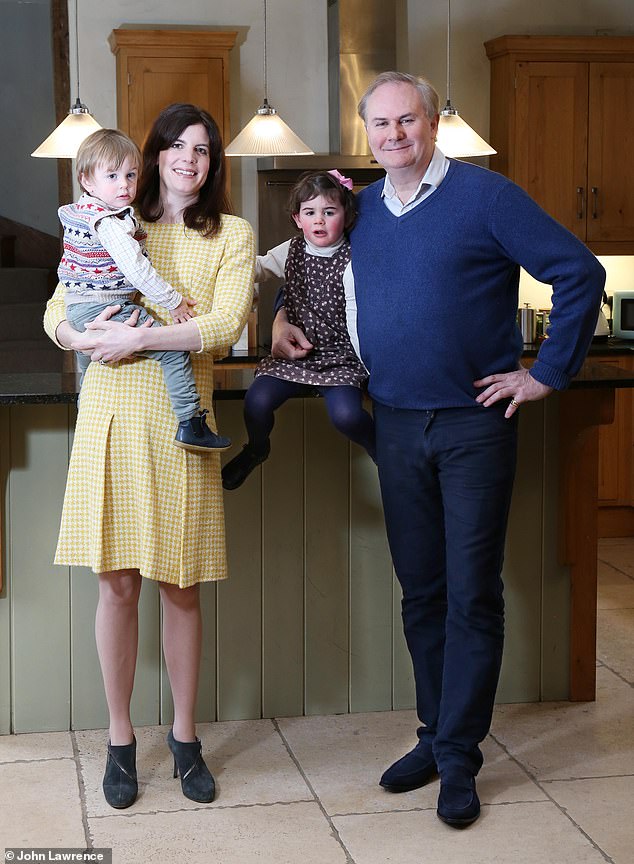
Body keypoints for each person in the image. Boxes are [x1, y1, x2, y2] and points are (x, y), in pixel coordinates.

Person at [272, 71, 605, 828]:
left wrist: (546, 374)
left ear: (433, 125)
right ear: (368, 135)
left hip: (472, 426)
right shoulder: (367, 215)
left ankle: (458, 757)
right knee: (421, 591)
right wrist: (280, 319)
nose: (394, 136)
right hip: (393, 423)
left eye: (408, 121)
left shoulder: (485, 197)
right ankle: (435, 731)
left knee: (471, 593)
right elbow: (313, 270)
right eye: (380, 125)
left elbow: (577, 272)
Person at [43, 103, 255, 809]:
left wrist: (137, 340)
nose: (189, 159)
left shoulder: (232, 233)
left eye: (203, 149)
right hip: (108, 416)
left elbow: (223, 327)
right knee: (118, 586)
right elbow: (57, 307)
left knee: (180, 585)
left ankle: (186, 739)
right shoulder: (112, 221)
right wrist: (79, 337)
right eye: (176, 146)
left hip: (179, 421)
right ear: (153, 156)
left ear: (213, 163)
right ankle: (120, 739)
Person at [59, 128, 230, 452]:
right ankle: (192, 423)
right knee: (173, 349)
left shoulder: (83, 214)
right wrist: (174, 301)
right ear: (87, 180)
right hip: (99, 308)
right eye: (112, 176)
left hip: (80, 306)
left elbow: (228, 326)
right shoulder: (110, 222)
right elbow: (137, 270)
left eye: (130, 175)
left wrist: (84, 338)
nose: (123, 184)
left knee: (89, 364)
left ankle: (84, 405)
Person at [221, 169, 375, 491]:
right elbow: (259, 268)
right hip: (295, 357)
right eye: (310, 212)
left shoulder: (355, 255)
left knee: (347, 416)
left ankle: (386, 455)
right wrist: (225, 272)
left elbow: (361, 311)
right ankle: (257, 448)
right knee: (257, 401)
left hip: (341, 357)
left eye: (329, 212)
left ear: (346, 216)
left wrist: (368, 363)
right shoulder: (291, 250)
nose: (319, 220)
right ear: (297, 218)